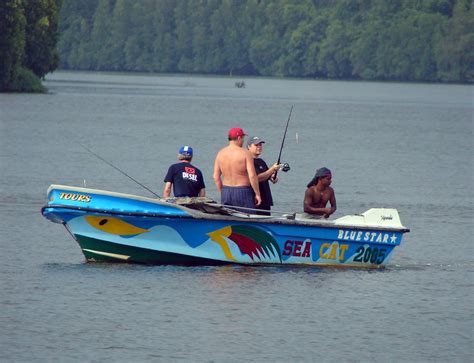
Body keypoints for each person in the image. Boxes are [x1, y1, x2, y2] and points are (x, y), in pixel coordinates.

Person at [213, 127, 261, 212]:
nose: (243, 141)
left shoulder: (220, 153)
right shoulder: (246, 153)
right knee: (247, 220)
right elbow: (252, 176)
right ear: (239, 138)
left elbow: (216, 177)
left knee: (228, 221)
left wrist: (222, 192)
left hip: (226, 191)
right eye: (243, 138)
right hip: (243, 191)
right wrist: (257, 194)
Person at [247, 136, 281, 215]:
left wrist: (273, 177)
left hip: (265, 201)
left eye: (260, 145)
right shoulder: (249, 162)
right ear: (249, 146)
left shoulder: (261, 161)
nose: (259, 147)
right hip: (255, 201)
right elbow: (257, 178)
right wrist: (272, 169)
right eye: (256, 145)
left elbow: (268, 175)